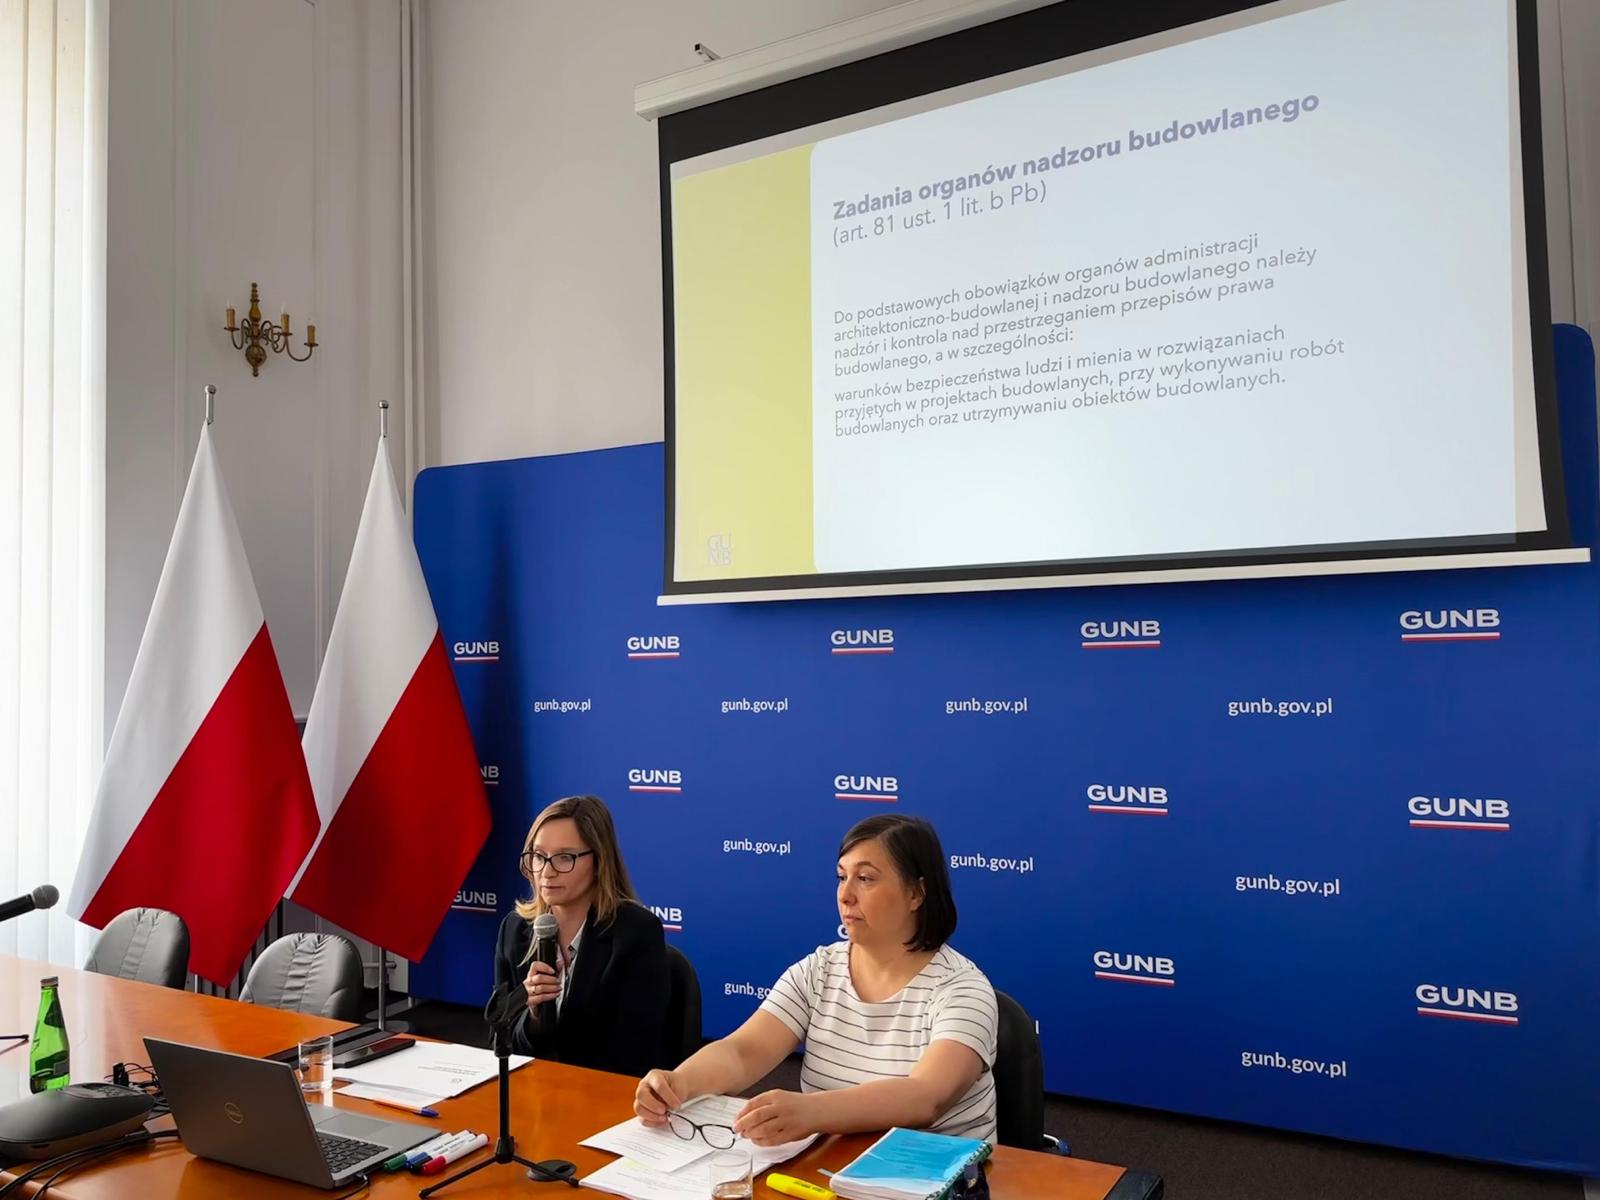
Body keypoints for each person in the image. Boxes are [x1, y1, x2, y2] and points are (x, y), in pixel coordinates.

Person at [634, 814, 998, 1145]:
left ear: (916, 893)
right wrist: (679, 1083)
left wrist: (811, 1112)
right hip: (829, 1166)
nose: (846, 895)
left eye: (865, 879)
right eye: (842, 877)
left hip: (933, 1177)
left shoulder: (963, 988)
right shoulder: (819, 969)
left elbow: (925, 1097)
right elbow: (743, 1052)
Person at [494, 794, 670, 1074]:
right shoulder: (515, 930)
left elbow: (634, 1055)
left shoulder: (636, 933)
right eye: (538, 856)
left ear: (599, 861)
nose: (546, 872)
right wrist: (535, 1018)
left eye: (564, 858)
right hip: (531, 1090)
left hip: (603, 1091)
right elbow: (498, 1043)